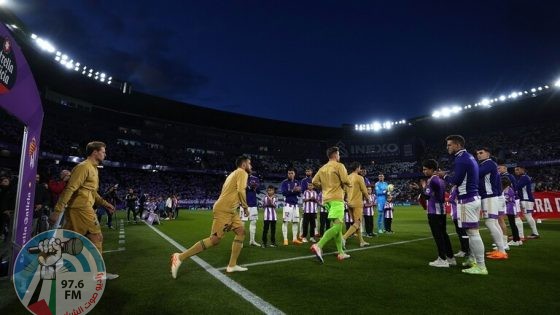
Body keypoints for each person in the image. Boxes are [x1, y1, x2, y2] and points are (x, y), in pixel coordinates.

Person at [170, 155, 252, 278]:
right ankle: (180, 257)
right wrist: (245, 207)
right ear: (244, 165)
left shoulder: (232, 174)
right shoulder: (242, 172)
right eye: (250, 164)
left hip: (230, 210)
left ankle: (232, 265)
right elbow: (241, 191)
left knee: (241, 232)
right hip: (224, 210)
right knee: (214, 240)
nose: (251, 166)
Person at [49, 141, 118, 280]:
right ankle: (98, 273)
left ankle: (51, 267)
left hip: (79, 208)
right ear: (95, 152)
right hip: (81, 208)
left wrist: (106, 204)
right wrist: (57, 210)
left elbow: (92, 193)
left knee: (68, 241)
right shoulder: (83, 167)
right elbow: (70, 188)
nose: (105, 154)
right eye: (103, 151)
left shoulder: (93, 168)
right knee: (96, 237)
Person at [436, 135, 487, 275]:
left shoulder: (461, 159)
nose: (447, 148)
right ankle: (473, 260)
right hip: (474, 197)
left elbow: (456, 180)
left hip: (467, 199)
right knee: (471, 232)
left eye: (449, 145)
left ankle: (481, 266)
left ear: (458, 145)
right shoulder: (469, 157)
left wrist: (443, 176)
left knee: (472, 233)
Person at [310, 147, 351, 263]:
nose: (339, 156)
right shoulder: (339, 166)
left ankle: (341, 253)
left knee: (337, 228)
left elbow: (314, 181)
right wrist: (350, 183)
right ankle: (319, 245)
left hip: (326, 200)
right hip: (337, 199)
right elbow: (345, 180)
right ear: (335, 155)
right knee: (338, 227)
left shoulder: (322, 168)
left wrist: (324, 187)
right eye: (339, 154)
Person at [475, 148, 507, 259]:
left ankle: (502, 251)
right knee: (494, 223)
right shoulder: (486, 164)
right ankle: (500, 249)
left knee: (490, 223)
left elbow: (476, 174)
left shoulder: (489, 163)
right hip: (490, 196)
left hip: (489, 196)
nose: (478, 155)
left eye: (481, 153)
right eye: (477, 153)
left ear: (488, 154)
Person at [423, 159, 455, 267]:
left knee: (438, 236)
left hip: (433, 211)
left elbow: (426, 195)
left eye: (425, 169)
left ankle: (442, 259)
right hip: (442, 210)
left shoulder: (432, 180)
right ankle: (450, 258)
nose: (424, 171)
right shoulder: (441, 180)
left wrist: (422, 188)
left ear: (432, 169)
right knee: (444, 234)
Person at [342, 162, 369, 247]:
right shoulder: (360, 178)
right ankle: (343, 238)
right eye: (360, 168)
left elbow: (344, 191)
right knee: (357, 223)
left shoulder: (347, 177)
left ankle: (361, 241)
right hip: (357, 203)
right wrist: (368, 199)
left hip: (349, 203)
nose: (360, 170)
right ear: (357, 168)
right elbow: (364, 190)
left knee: (356, 223)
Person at [514, 166, 540, 239]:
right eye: (515, 170)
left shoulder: (524, 177)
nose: (516, 171)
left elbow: (517, 187)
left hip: (526, 199)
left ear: (523, 169)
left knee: (528, 216)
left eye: (517, 170)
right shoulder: (522, 177)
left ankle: (535, 233)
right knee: (528, 216)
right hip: (525, 199)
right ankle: (535, 233)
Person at [280, 168, 302, 245]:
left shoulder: (297, 182)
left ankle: (294, 239)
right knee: (285, 222)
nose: (290, 174)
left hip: (295, 205)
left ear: (294, 174)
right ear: (287, 174)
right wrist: (293, 190)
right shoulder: (284, 183)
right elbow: (284, 193)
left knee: (295, 222)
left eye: (292, 173)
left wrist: (299, 190)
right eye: (289, 173)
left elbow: (299, 194)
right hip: (288, 205)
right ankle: (285, 239)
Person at [449, 186, 470, 258]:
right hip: (461, 211)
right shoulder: (461, 187)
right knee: (463, 232)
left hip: (457, 213)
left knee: (461, 232)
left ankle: (465, 250)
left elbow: (451, 199)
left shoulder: (456, 188)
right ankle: (465, 250)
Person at [240, 175, 261, 246]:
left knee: (253, 222)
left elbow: (258, 191)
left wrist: (255, 187)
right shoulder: (241, 177)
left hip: (253, 205)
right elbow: (239, 190)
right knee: (242, 223)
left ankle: (252, 241)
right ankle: (240, 242)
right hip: (244, 204)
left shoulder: (255, 178)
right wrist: (248, 187)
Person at [502, 177, 522, 246]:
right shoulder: (509, 189)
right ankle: (518, 239)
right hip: (511, 207)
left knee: (512, 224)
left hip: (510, 208)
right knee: (513, 224)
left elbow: (506, 199)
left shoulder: (508, 190)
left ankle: (515, 240)